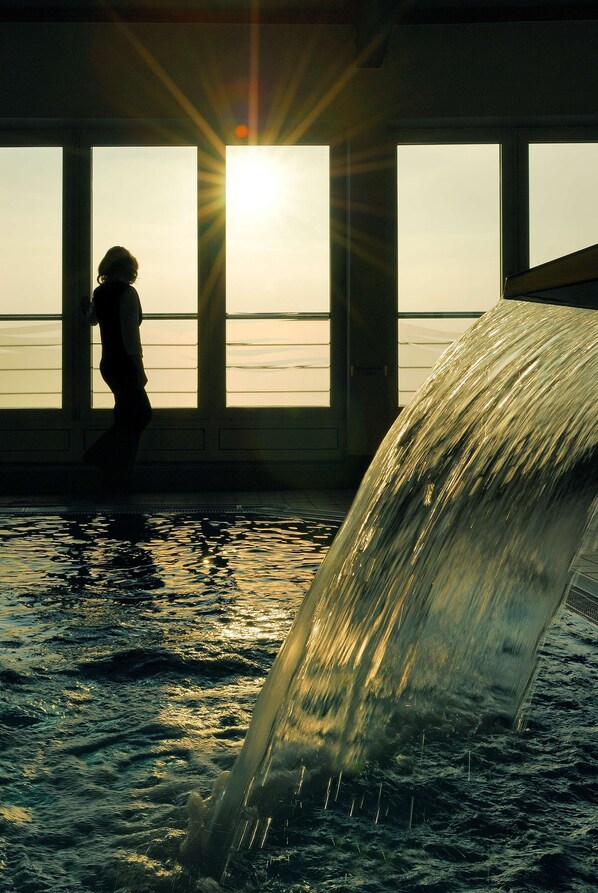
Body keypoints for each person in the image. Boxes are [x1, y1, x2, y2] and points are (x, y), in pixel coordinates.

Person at [83, 246, 152, 490]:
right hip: (124, 362)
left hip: (108, 363)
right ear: (129, 269)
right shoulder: (128, 293)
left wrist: (88, 304)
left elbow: (91, 319)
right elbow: (130, 336)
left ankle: (115, 473)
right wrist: (139, 367)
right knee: (141, 414)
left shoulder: (100, 293)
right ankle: (101, 458)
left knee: (126, 416)